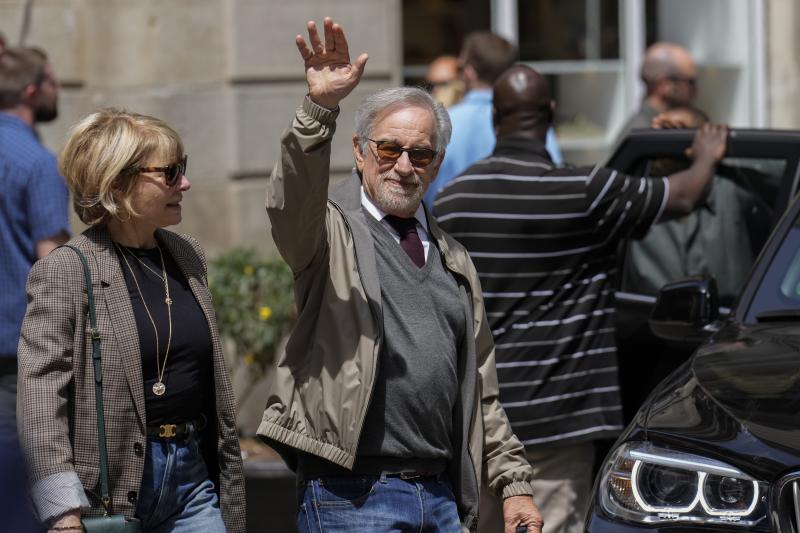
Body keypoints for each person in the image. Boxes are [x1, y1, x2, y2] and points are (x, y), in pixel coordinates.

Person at [259, 17, 543, 533]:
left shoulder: (454, 258)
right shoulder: (328, 233)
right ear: (360, 151)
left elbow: (482, 387)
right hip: (351, 495)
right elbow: (290, 199)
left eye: (420, 154)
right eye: (389, 149)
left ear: (436, 164)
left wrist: (514, 482)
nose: (404, 166)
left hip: (440, 495)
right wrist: (318, 110)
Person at [433, 65, 727, 533]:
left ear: (496, 119)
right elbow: (683, 197)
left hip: (479, 419)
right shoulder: (587, 192)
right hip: (558, 422)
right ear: (551, 114)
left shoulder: (452, 198)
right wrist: (706, 153)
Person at [17, 109, 246, 533]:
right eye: (170, 172)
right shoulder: (67, 269)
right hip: (109, 491)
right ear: (118, 183)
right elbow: (41, 396)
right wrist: (61, 512)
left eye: (183, 168)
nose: (185, 183)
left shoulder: (187, 255)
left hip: (192, 477)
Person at [0, 46, 69, 532]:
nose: (56, 88)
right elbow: (53, 266)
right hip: (15, 352)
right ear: (30, 91)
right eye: (50, 80)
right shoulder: (37, 162)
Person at [423, 32, 562, 209]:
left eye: (461, 67)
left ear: (469, 72)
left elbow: (425, 189)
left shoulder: (442, 122)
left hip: (449, 221)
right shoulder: (532, 123)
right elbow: (553, 180)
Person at [614, 42, 698, 147]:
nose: (696, 89)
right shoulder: (648, 134)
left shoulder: (658, 129)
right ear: (664, 84)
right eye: (690, 82)